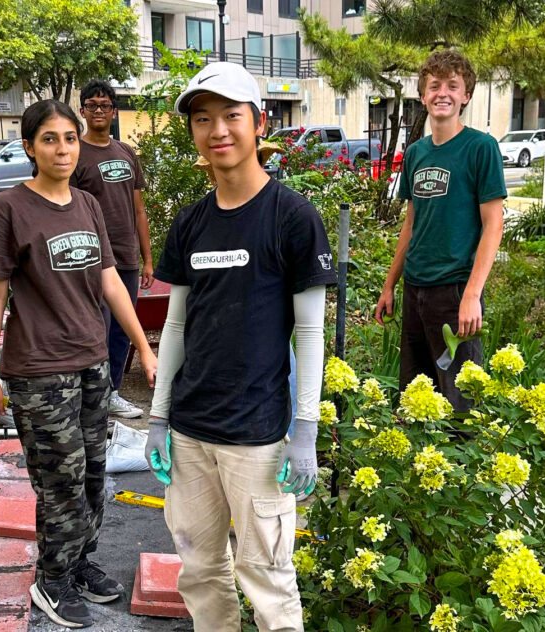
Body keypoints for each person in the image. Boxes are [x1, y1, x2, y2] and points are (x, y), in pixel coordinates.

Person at [145, 62, 336, 632]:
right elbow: (175, 326)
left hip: (258, 438)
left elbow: (309, 332)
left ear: (259, 123)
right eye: (203, 119)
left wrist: (305, 431)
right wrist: (158, 419)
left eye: (231, 115)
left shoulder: (293, 217)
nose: (217, 130)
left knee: (269, 582)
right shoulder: (190, 224)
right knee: (201, 573)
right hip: (190, 433)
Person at [0, 99, 157, 629]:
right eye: (50, 139)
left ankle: (80, 562)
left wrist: (143, 346)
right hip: (37, 369)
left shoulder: (86, 202)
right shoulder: (8, 209)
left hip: (91, 361)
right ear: (30, 147)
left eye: (70, 139)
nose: (62, 148)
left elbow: (108, 280)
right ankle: (52, 580)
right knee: (62, 479)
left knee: (95, 472)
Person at [375, 49, 505, 412]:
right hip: (416, 290)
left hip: (455, 291)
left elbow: (494, 224)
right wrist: (390, 285)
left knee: (461, 404)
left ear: (466, 95)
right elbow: (411, 224)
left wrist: (472, 296)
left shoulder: (481, 148)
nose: (442, 93)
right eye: (434, 86)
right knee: (417, 400)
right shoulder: (416, 153)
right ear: (422, 96)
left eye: (452, 85)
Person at [70, 79, 153, 419]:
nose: (99, 110)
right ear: (82, 111)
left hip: (126, 257)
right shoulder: (76, 153)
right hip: (92, 261)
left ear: (115, 111)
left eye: (105, 105)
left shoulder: (126, 153)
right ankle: (90, 397)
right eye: (93, 105)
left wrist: (147, 259)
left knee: (122, 330)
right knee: (96, 330)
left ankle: (112, 393)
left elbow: (138, 209)